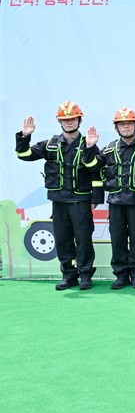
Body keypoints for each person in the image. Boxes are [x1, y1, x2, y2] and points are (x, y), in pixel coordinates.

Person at [15, 101, 103, 290]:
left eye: (72, 119)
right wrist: (25, 136)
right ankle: (69, 275)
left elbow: (96, 171)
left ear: (79, 120)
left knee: (83, 240)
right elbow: (24, 154)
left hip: (80, 200)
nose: (69, 122)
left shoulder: (89, 143)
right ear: (59, 122)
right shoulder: (50, 144)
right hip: (59, 201)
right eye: (65, 119)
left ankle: (85, 275)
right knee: (63, 240)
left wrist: (95, 199)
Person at [100, 107, 135, 289]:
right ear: (116, 128)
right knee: (117, 239)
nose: (126, 127)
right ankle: (121, 275)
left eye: (129, 123)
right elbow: (92, 167)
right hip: (115, 202)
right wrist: (90, 148)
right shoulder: (109, 149)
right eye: (122, 124)